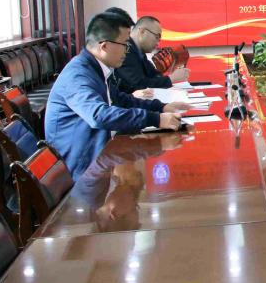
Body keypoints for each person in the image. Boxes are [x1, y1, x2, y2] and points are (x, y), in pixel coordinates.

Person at [45, 12, 188, 180]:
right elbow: (98, 115)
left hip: (98, 157)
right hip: (79, 170)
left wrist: (161, 107)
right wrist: (156, 119)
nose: (127, 50)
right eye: (124, 44)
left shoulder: (95, 68)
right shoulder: (78, 75)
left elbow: (121, 99)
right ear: (104, 46)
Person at [115, 15, 190, 91]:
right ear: (142, 31)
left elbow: (153, 75)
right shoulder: (124, 51)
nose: (158, 44)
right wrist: (171, 79)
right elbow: (138, 85)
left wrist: (171, 70)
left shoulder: (139, 52)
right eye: (156, 37)